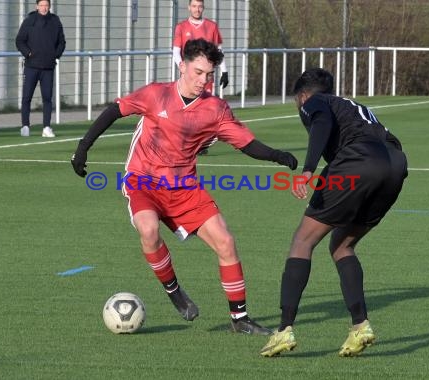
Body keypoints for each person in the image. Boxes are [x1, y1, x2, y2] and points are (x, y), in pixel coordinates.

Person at [71, 38, 298, 335]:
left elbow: (246, 143)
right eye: (198, 72)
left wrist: (277, 156)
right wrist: (83, 147)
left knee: (226, 243)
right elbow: (115, 110)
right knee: (149, 230)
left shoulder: (215, 109)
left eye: (209, 75)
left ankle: (240, 319)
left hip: (184, 187)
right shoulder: (156, 94)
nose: (203, 81)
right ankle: (174, 292)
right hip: (143, 180)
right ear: (182, 66)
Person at [260, 68, 408, 357]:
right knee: (342, 245)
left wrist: (306, 171)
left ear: (302, 96)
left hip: (356, 161)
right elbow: (392, 142)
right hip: (394, 166)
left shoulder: (315, 102)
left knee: (302, 242)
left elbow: (322, 123)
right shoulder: (358, 108)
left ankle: (284, 330)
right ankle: (360, 326)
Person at [173, 0, 229, 155]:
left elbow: (219, 50)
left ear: (203, 7)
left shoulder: (211, 26)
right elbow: (176, 52)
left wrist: (224, 71)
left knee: (204, 109)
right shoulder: (181, 27)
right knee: (184, 108)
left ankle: (200, 143)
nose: (197, 9)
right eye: (194, 6)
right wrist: (183, 67)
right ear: (189, 7)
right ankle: (181, 140)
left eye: (200, 6)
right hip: (187, 76)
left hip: (205, 77)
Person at [15, 0, 65, 138]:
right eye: (42, 5)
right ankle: (25, 126)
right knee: (26, 97)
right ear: (37, 6)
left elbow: (62, 42)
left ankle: (47, 127)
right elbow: (19, 40)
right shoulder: (30, 20)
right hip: (31, 66)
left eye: (46, 6)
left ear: (50, 7)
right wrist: (28, 53)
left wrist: (56, 55)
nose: (44, 8)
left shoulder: (55, 21)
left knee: (47, 98)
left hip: (48, 67)